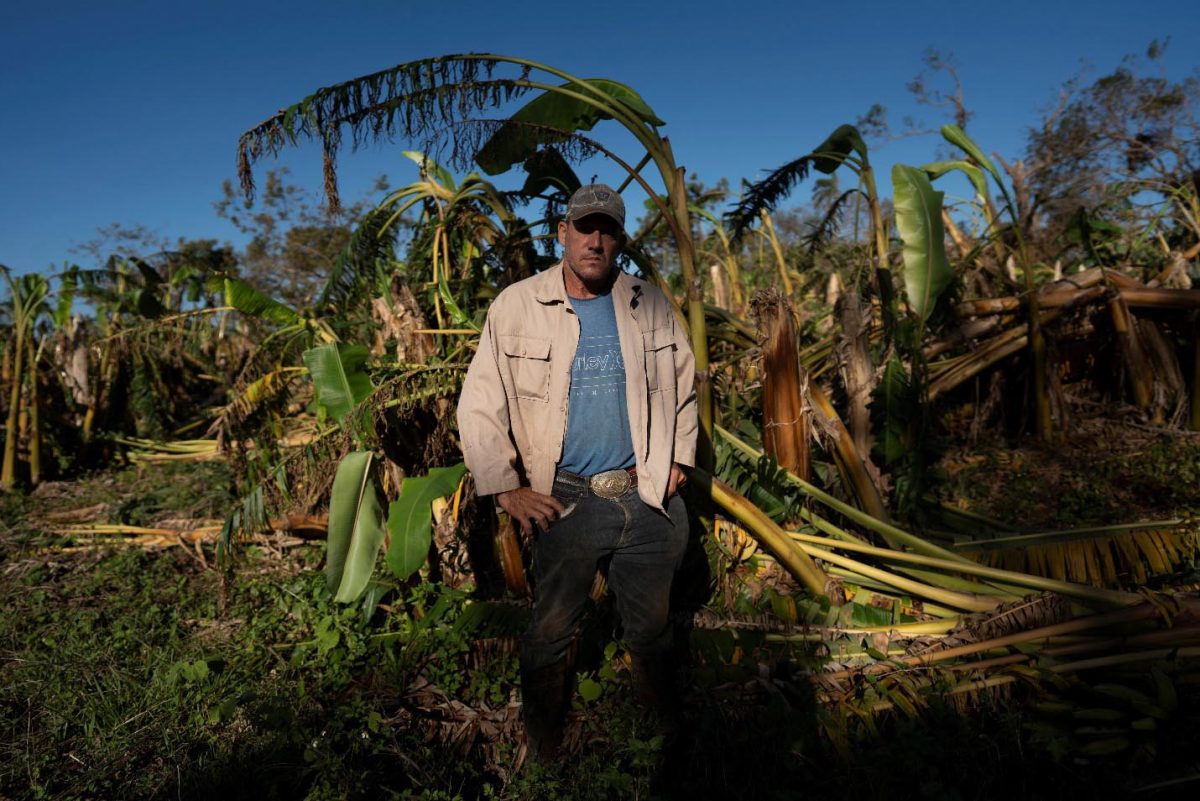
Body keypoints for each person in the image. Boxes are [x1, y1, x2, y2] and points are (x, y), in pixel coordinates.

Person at [457, 183, 697, 761]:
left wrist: (680, 461)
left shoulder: (649, 302)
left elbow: (684, 386)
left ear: (619, 239)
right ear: (561, 233)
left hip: (646, 496)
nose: (595, 240)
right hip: (566, 498)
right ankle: (544, 746)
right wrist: (505, 486)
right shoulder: (517, 305)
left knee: (653, 627)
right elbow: (479, 401)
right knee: (550, 630)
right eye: (584, 227)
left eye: (607, 229)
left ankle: (663, 743)